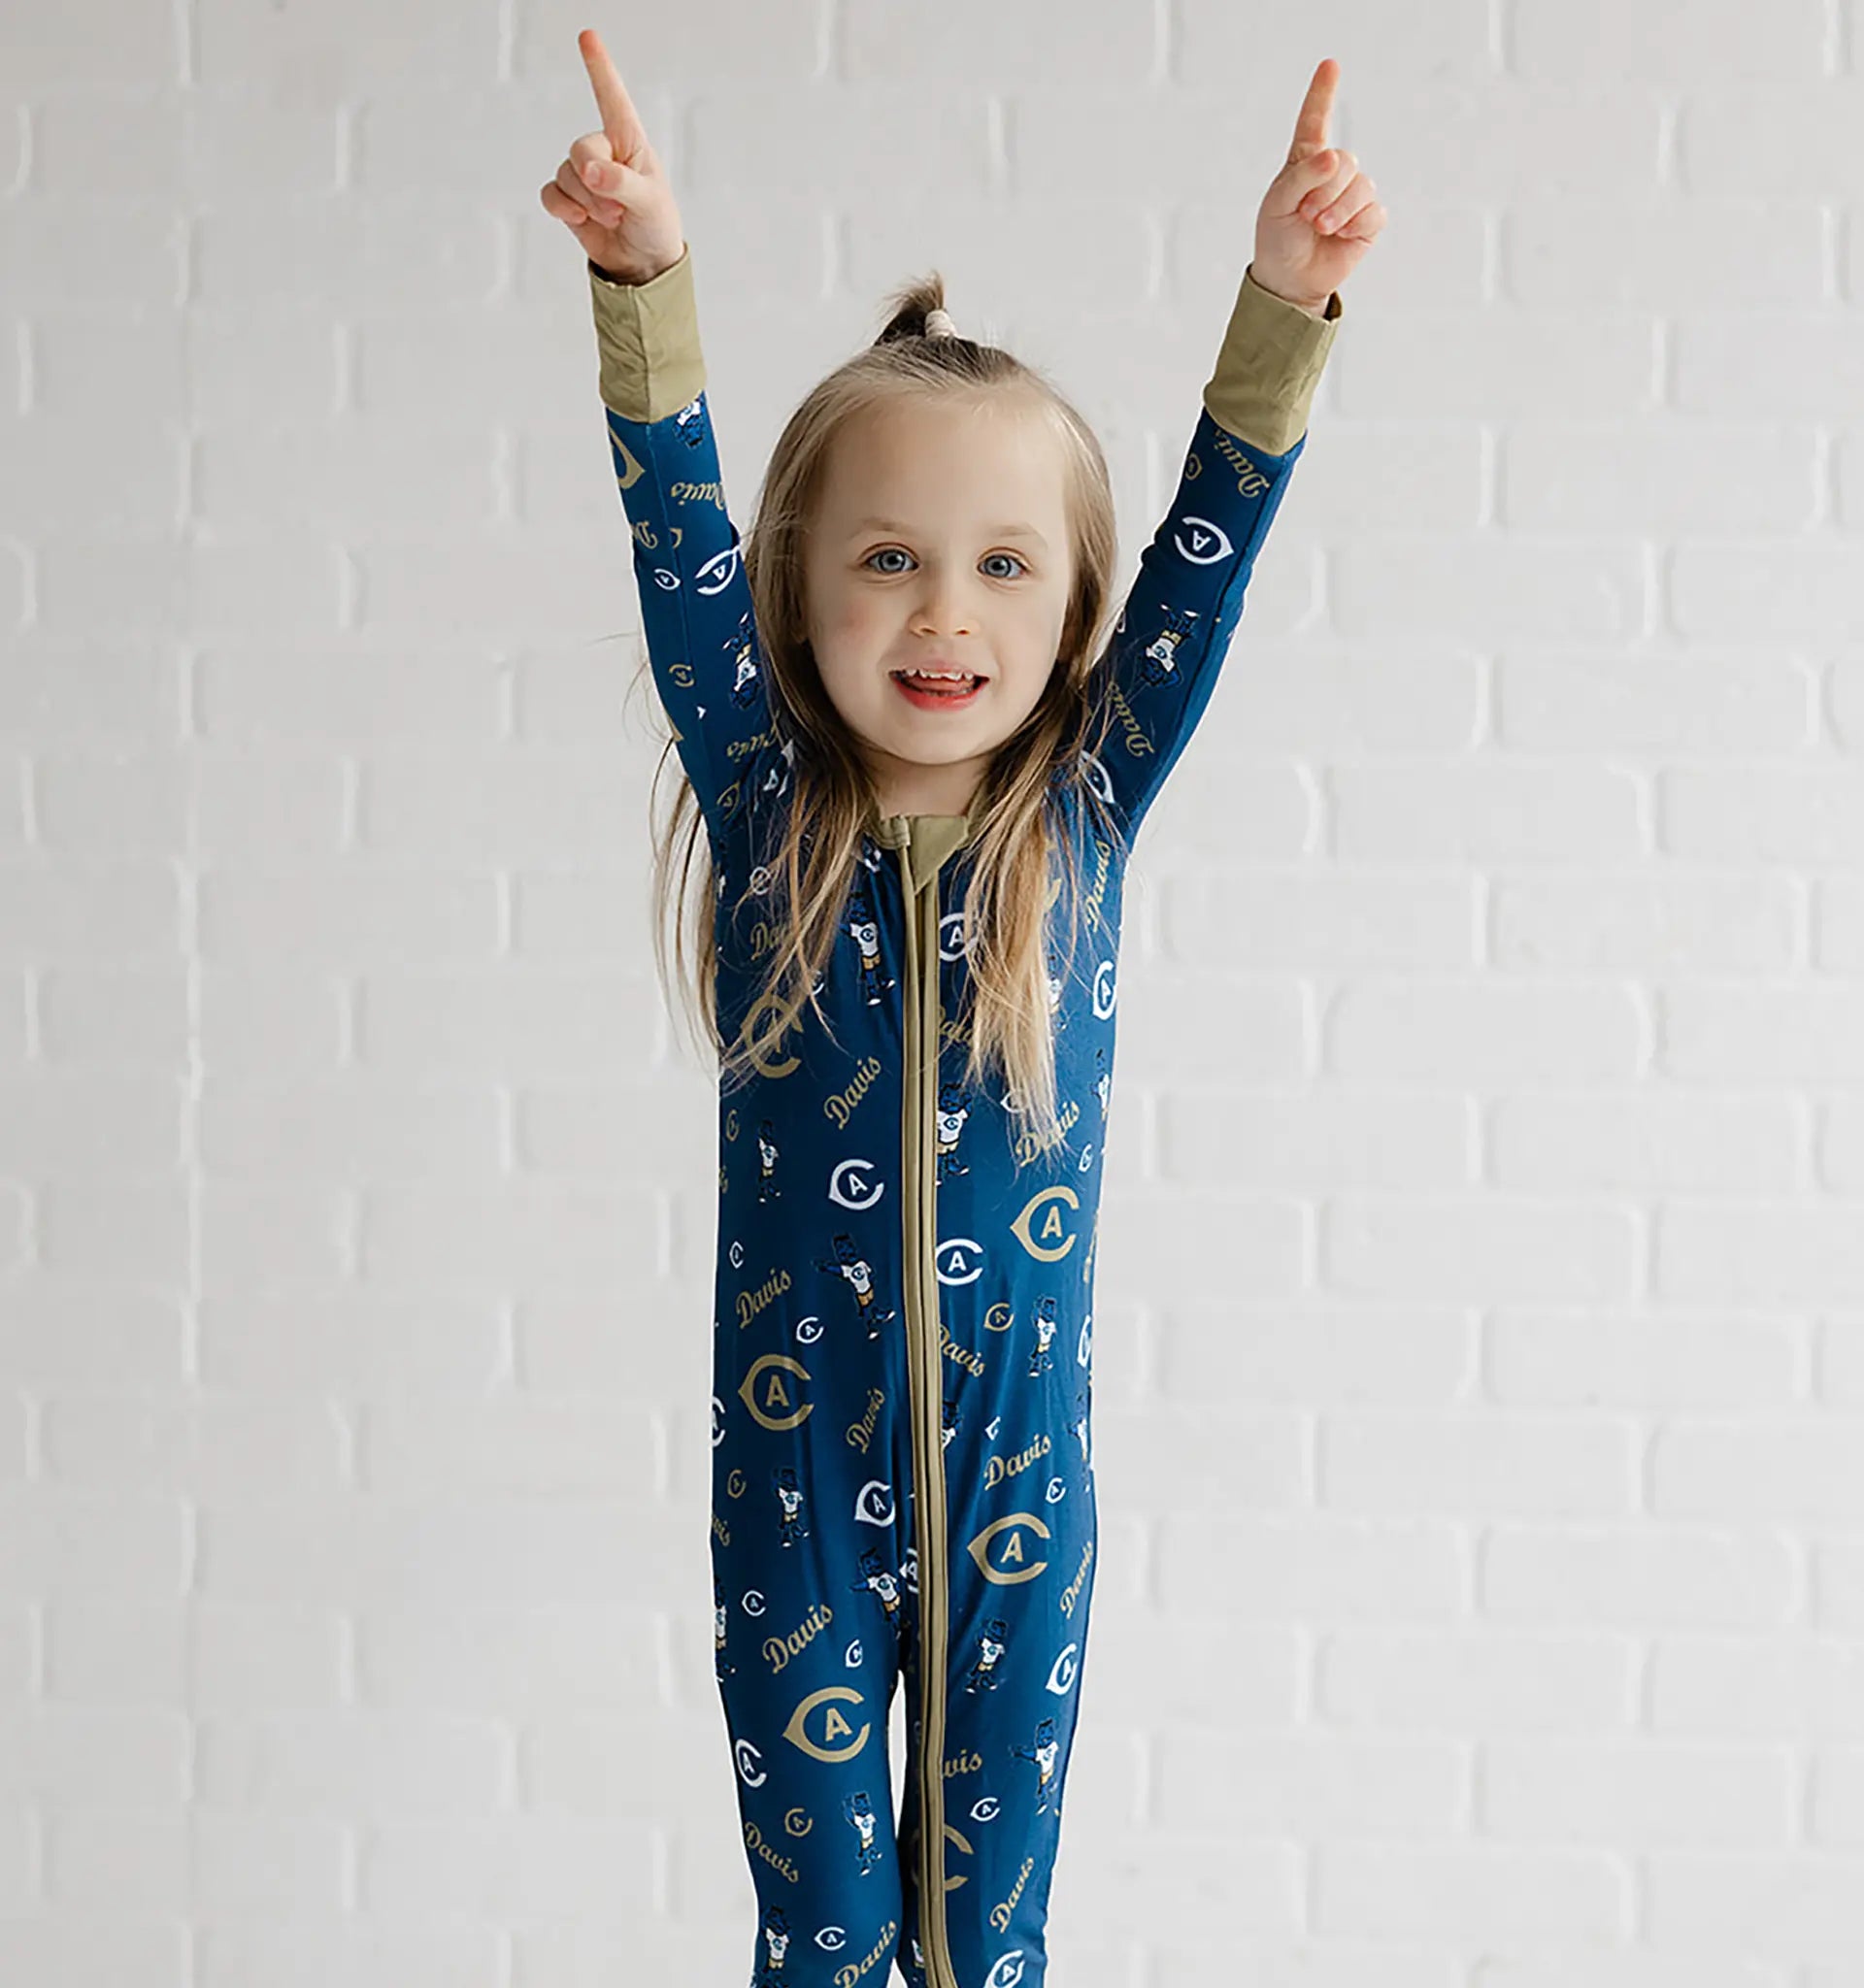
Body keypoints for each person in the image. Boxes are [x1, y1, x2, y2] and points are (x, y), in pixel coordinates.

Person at [541, 28, 1384, 1987]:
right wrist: (643, 283)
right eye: (891, 561)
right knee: (829, 1946)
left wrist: (1286, 300)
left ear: (1072, 610)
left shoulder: (1083, 813)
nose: (944, 613)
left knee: (986, 1949)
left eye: (1005, 565)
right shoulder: (769, 816)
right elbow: (673, 534)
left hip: (1022, 1496)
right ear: (799, 590)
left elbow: (1212, 539)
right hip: (799, 1500)